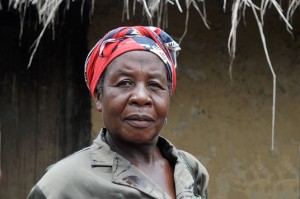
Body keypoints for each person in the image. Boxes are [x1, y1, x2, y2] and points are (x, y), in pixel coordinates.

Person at [27, 26, 209, 199]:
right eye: (124, 83)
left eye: (154, 85)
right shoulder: (63, 183)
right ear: (99, 97)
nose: (141, 97)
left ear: (168, 97)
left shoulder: (189, 169)